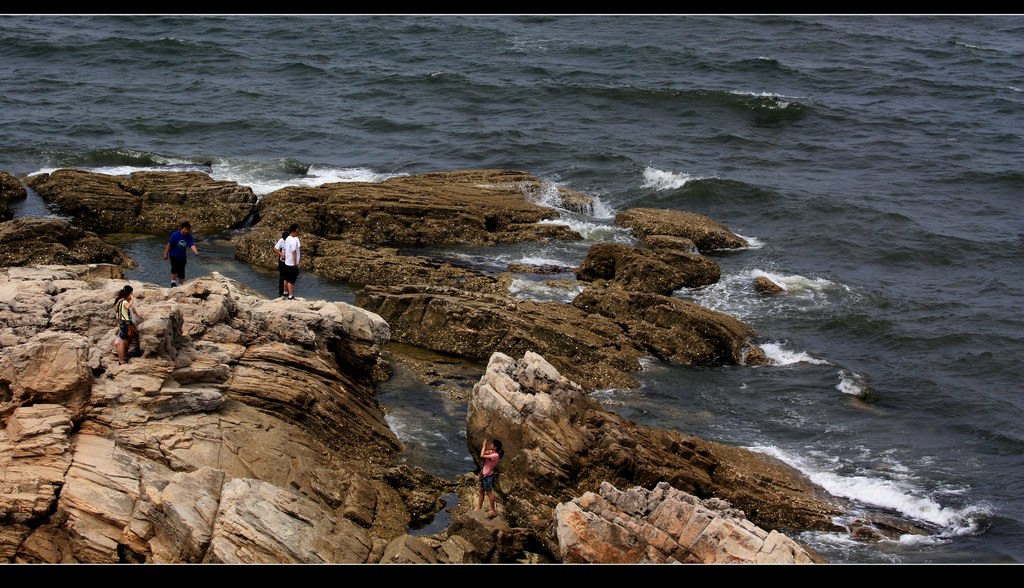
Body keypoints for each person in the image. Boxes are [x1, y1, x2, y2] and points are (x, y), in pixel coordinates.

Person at [163, 220, 199, 287]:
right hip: (173, 255)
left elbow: (191, 244)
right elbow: (169, 244)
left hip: (182, 256)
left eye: (188, 230)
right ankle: (173, 282)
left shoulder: (189, 236)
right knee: (174, 268)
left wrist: (195, 251)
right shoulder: (175, 235)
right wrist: (166, 254)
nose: (186, 231)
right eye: (185, 229)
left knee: (181, 271)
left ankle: (181, 285)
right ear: (181, 228)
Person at [476, 438, 504, 517]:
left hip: (488, 476)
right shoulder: (492, 452)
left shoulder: (495, 455)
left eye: (492, 444)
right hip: (484, 474)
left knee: (489, 493)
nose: (490, 445)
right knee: (481, 490)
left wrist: (484, 445)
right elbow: (484, 452)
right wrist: (485, 447)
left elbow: (482, 455)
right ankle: (479, 507)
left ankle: (492, 510)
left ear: (495, 447)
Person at [114, 285, 137, 365]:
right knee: (122, 342)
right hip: (125, 322)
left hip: (121, 322)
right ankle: (121, 360)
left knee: (124, 340)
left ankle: (122, 358)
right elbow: (127, 306)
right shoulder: (124, 301)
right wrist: (132, 300)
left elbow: (116, 310)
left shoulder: (119, 301)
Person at [282, 223, 301, 300]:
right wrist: (295, 263)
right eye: (297, 232)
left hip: (287, 262)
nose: (297, 233)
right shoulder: (293, 240)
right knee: (291, 281)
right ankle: (290, 296)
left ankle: (285, 293)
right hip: (291, 263)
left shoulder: (287, 239)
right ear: (293, 231)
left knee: (286, 278)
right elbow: (294, 252)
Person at [274, 229, 289, 298]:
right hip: (282, 262)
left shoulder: (292, 241)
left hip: (289, 262)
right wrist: (281, 254)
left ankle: (287, 293)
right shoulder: (281, 240)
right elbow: (275, 248)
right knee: (282, 278)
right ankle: (281, 294)